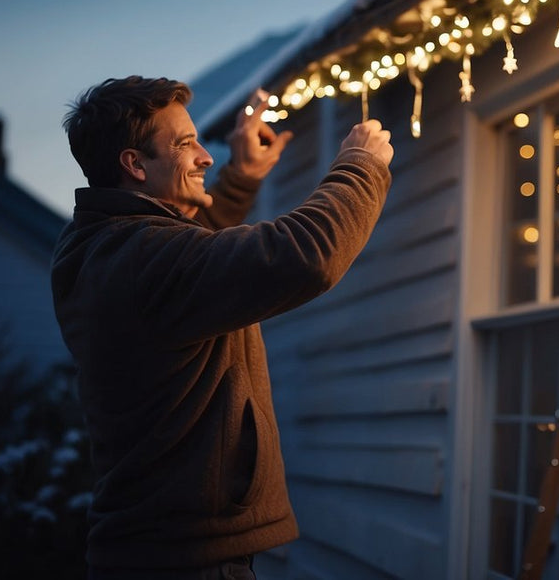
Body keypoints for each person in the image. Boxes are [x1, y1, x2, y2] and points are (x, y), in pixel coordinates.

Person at [52, 75, 392, 579]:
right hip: (186, 563)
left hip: (160, 552)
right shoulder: (141, 258)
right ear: (135, 164)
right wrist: (359, 167)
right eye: (185, 144)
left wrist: (241, 179)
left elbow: (195, 263)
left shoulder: (108, 248)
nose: (204, 157)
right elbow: (302, 258)